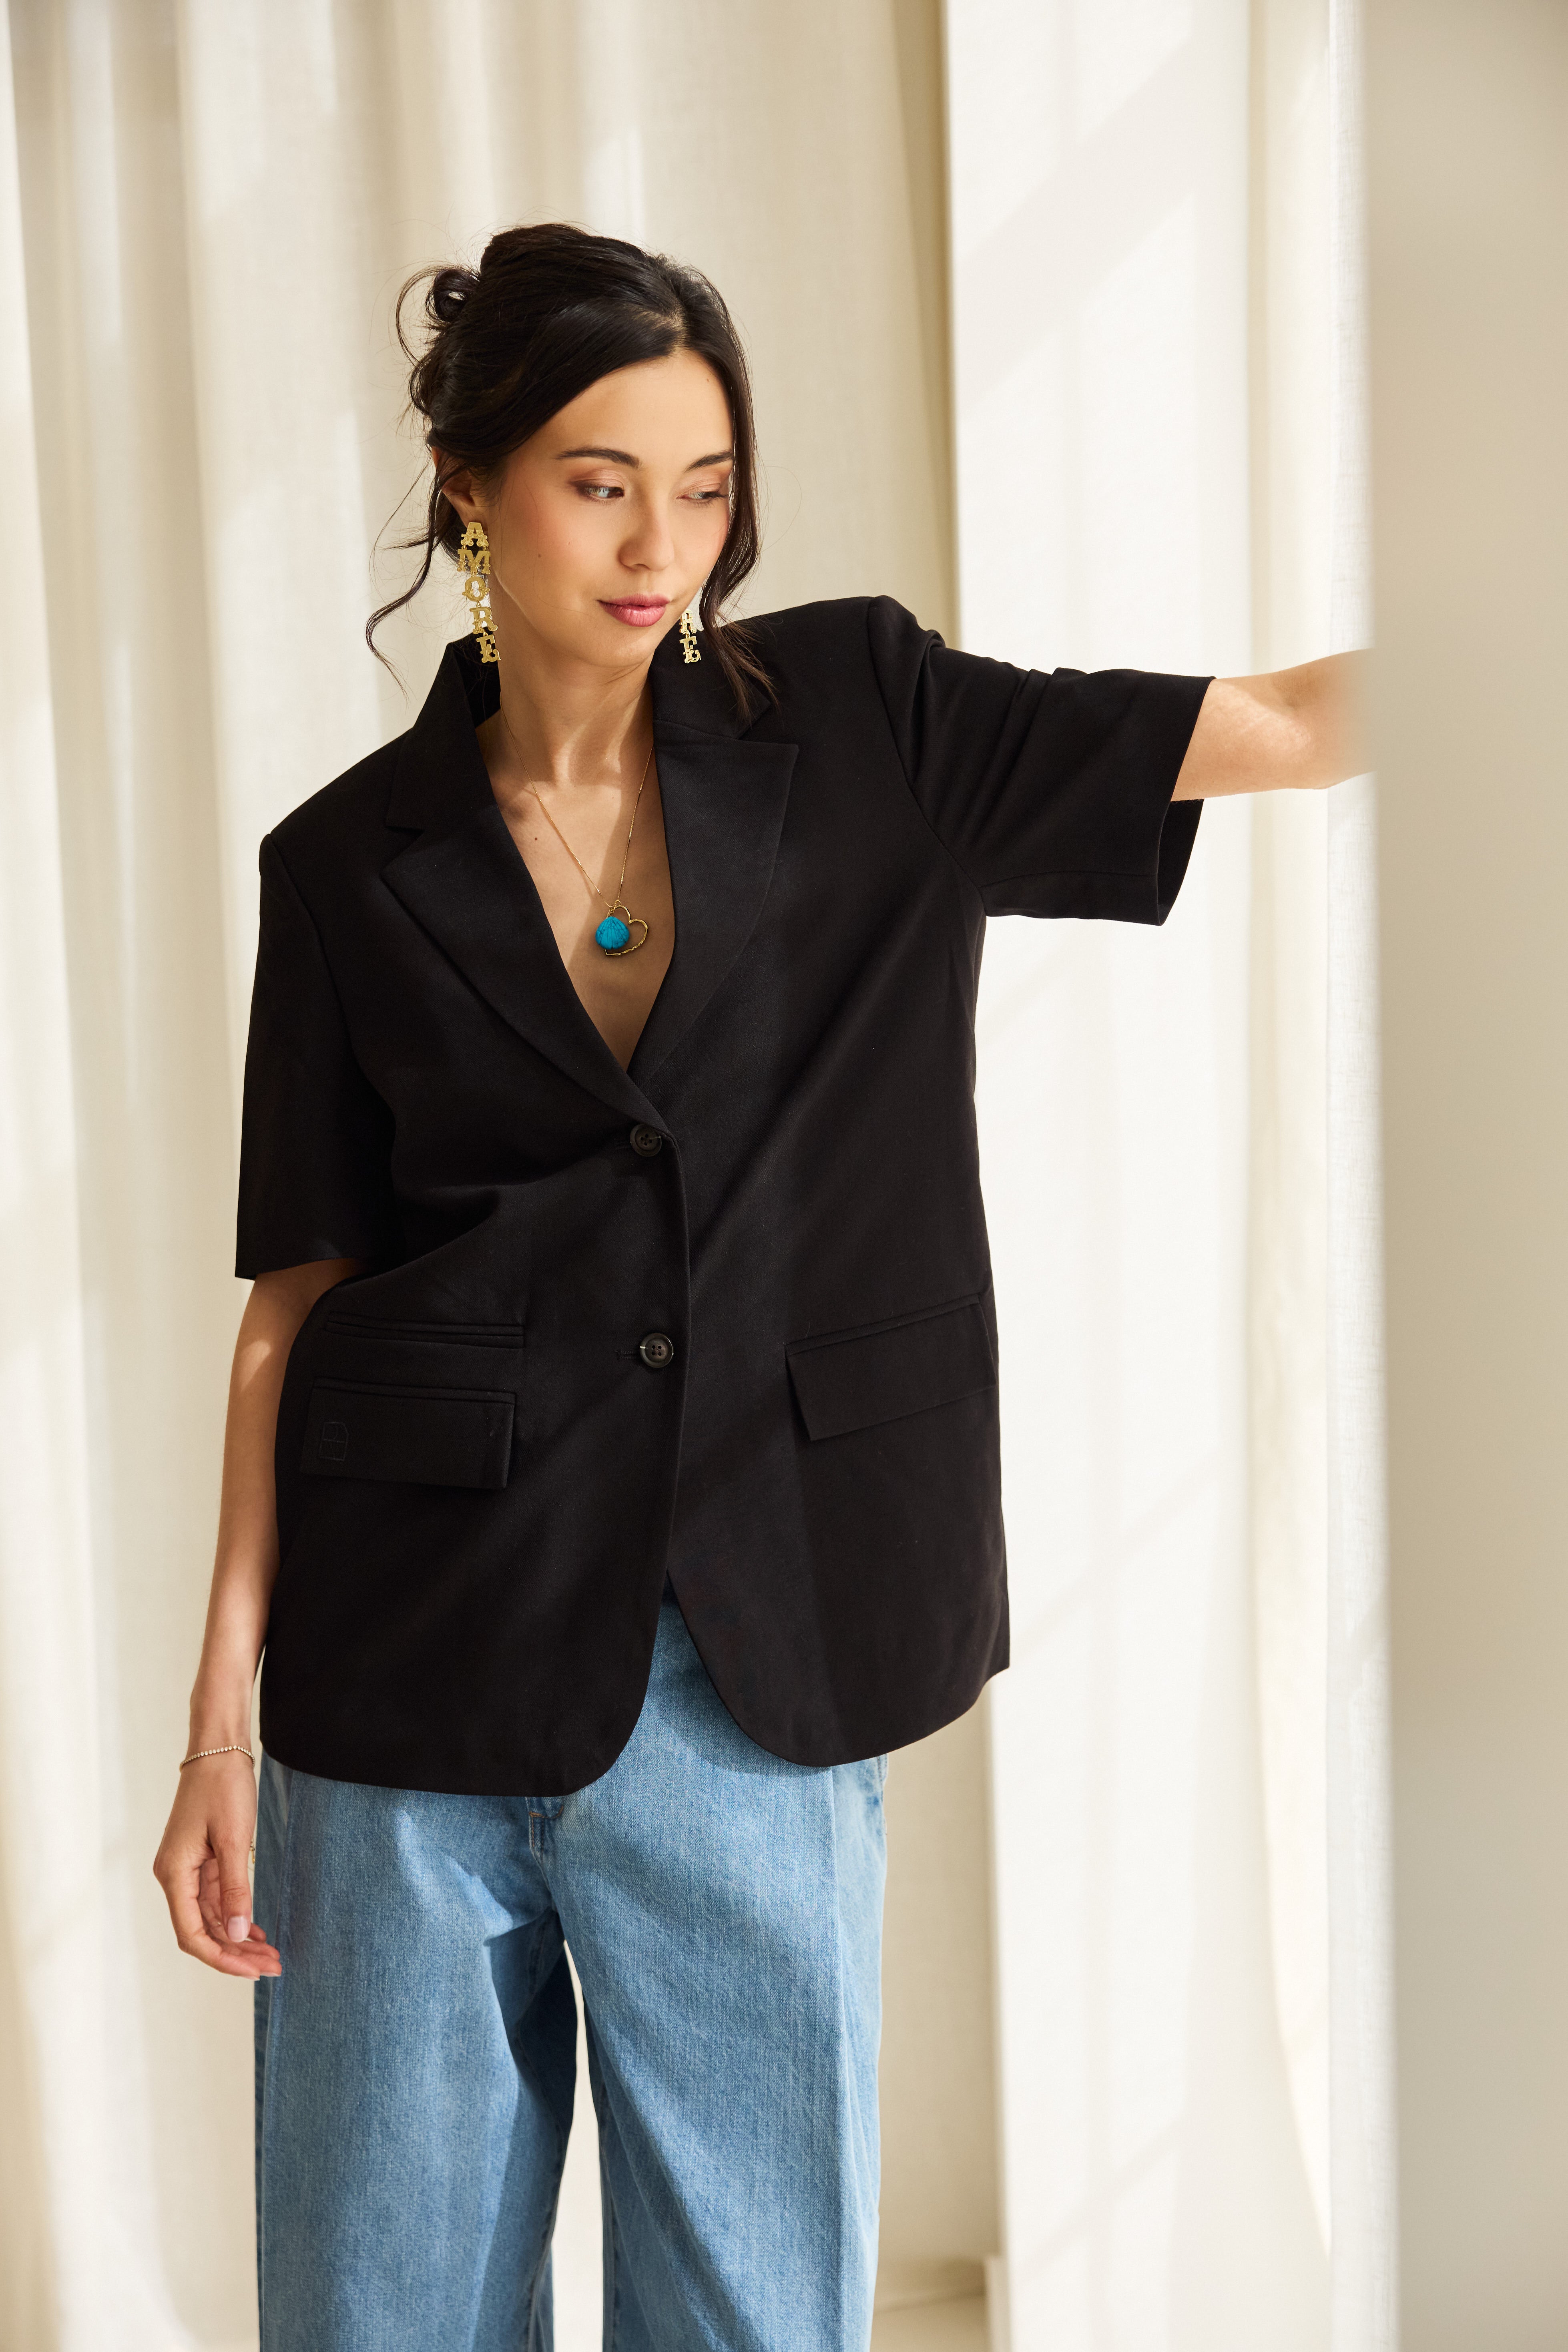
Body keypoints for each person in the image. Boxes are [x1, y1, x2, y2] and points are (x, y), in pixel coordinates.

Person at [153, 222, 1362, 2352]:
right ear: (470, 489)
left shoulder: (872, 724)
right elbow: (298, 1298)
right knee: (375, 2314)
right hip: (403, 1672)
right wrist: (218, 1721)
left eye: (704, 488)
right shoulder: (345, 864)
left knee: (753, 2319)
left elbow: (1265, 724)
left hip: (755, 1653)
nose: (662, 546)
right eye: (601, 482)